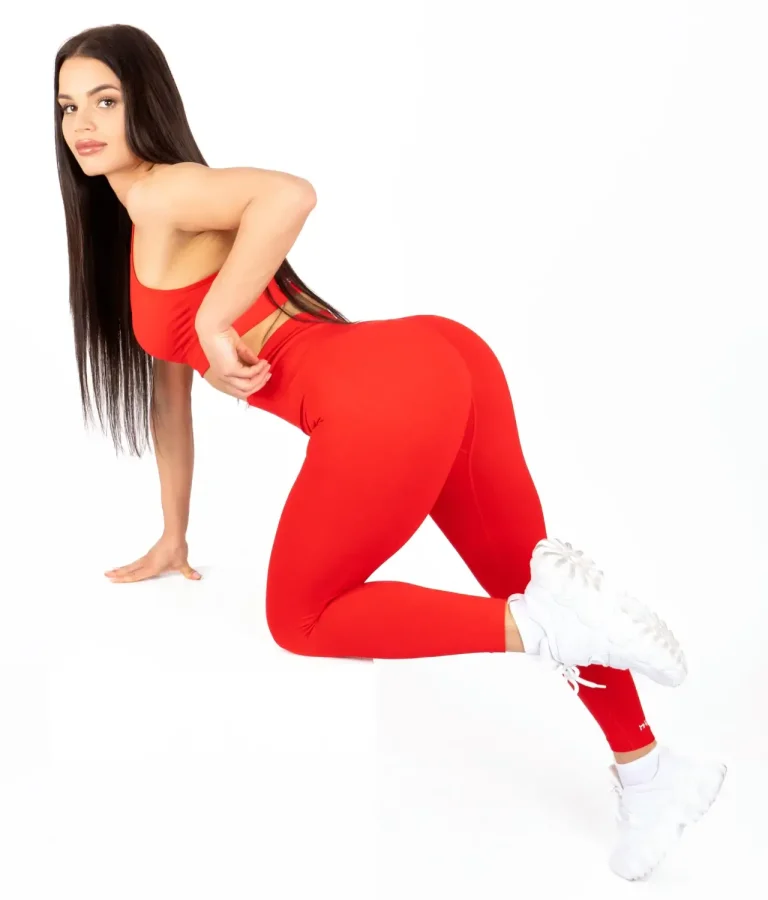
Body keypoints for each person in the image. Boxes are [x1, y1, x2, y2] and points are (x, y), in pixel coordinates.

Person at [54, 23, 726, 882]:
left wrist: (218, 320)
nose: (83, 123)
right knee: (537, 578)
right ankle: (651, 773)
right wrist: (172, 533)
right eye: (67, 106)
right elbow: (169, 396)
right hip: (434, 358)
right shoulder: (136, 226)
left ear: (144, 103)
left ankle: (538, 630)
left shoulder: (164, 191)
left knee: (302, 619)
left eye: (104, 100)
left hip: (381, 395)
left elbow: (289, 195)